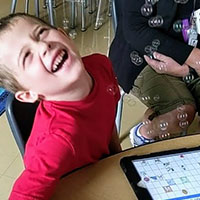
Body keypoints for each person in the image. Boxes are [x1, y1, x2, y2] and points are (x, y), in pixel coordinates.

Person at [0, 13, 121, 199]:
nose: (42, 45)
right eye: (27, 56)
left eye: (41, 32)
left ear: (63, 34)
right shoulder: (56, 139)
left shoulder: (101, 65)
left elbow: (106, 117)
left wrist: (118, 159)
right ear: (28, 94)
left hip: (106, 174)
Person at [109, 0, 200, 146]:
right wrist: (193, 58)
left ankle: (155, 114)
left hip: (191, 53)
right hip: (141, 57)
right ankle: (144, 133)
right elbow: (135, 30)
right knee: (181, 113)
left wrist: (188, 68)